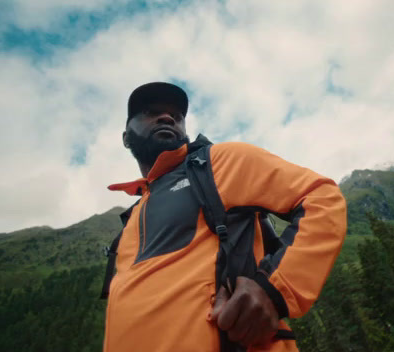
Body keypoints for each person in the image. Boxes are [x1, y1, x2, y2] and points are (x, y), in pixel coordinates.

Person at [104, 82, 347, 352]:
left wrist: (275, 290)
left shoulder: (219, 161)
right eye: (150, 111)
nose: (168, 117)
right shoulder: (134, 214)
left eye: (177, 115)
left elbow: (321, 197)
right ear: (126, 138)